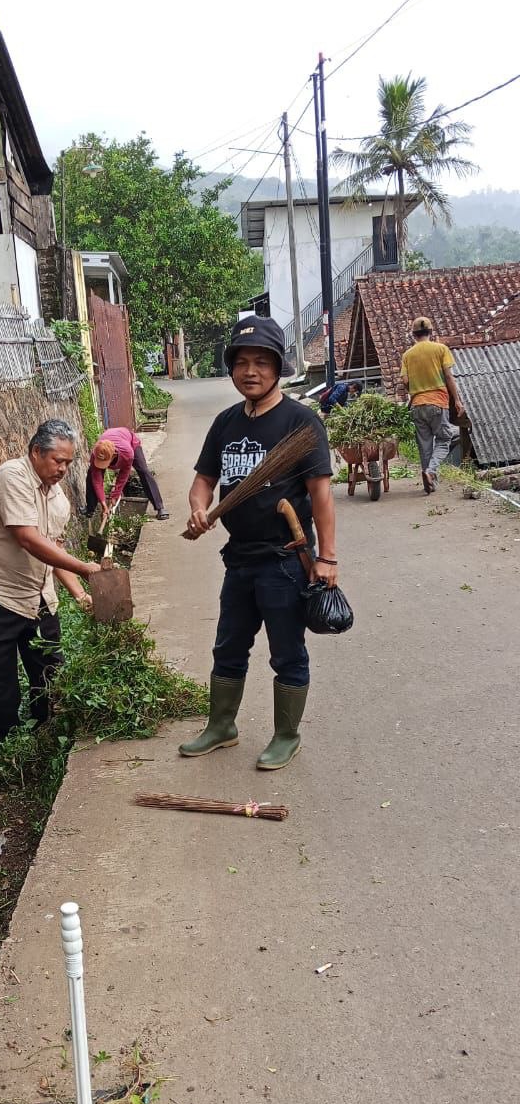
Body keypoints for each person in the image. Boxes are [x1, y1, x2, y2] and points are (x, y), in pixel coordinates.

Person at [179, 315, 337, 770]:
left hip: (285, 561)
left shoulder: (301, 423)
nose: (250, 371)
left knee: (287, 651)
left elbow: (322, 498)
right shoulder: (226, 422)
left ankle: (287, 735)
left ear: (278, 367)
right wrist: (197, 507)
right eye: (242, 362)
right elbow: (204, 481)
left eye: (261, 362)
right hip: (239, 559)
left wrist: (328, 558)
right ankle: (221, 726)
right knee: (228, 646)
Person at [0, 418, 101, 742]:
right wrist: (85, 567)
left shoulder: (58, 499)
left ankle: (48, 739)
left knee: (51, 676)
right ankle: (4, 751)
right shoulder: (11, 476)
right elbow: (27, 538)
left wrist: (79, 593)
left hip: (39, 597)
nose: (64, 469)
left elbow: (54, 549)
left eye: (68, 462)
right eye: (58, 461)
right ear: (37, 452)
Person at [400, 316, 464, 494]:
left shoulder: (407, 355)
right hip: (437, 402)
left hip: (417, 405)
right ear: (430, 332)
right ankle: (431, 471)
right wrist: (457, 401)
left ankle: (429, 482)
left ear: (414, 335)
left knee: (425, 444)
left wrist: (416, 389)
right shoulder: (440, 349)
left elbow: (405, 381)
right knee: (444, 439)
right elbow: (449, 377)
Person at [85, 426, 169, 520]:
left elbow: (123, 475)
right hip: (110, 437)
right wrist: (104, 505)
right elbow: (97, 481)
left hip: (130, 441)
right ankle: (90, 509)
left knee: (143, 471)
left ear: (114, 455)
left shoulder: (127, 453)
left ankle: (160, 507)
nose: (102, 465)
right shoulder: (96, 453)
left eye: (104, 463)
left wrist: (115, 495)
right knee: (91, 474)